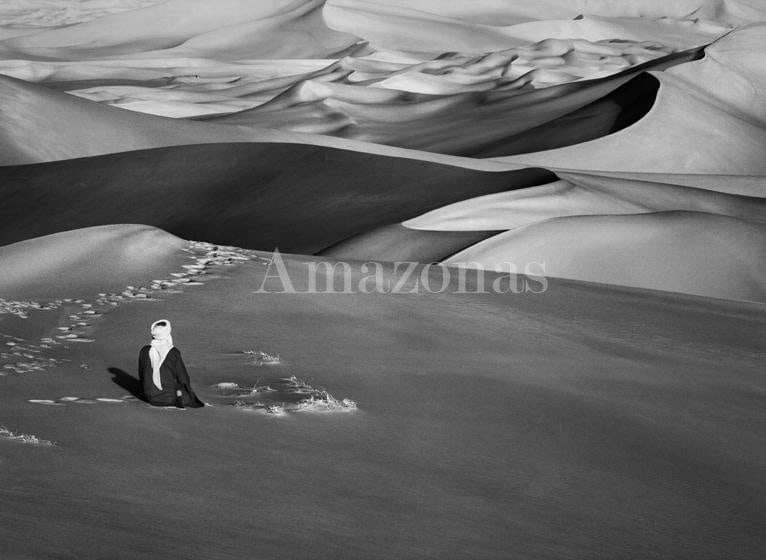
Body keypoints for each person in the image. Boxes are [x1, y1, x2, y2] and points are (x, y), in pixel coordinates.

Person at [138, 319, 204, 408]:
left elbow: (142, 375)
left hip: (150, 397)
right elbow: (183, 378)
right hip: (169, 398)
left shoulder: (144, 351)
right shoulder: (173, 352)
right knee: (189, 397)